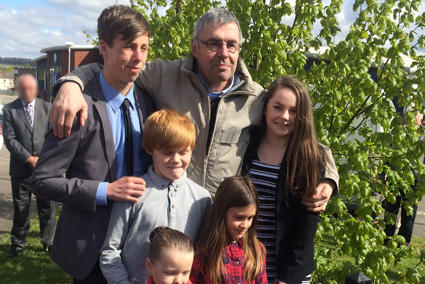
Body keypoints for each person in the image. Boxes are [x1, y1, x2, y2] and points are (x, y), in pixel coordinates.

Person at [49, 8, 339, 211]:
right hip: (165, 215)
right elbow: (113, 67)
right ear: (195, 47)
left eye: (232, 45)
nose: (224, 53)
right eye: (213, 43)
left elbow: (303, 136)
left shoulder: (257, 99)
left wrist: (328, 179)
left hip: (220, 221)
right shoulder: (163, 75)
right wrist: (71, 83)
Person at [29, 5, 155, 284]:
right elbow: (43, 180)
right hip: (91, 253)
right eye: (128, 48)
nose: (138, 58)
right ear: (103, 47)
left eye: (144, 48)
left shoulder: (150, 101)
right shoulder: (77, 105)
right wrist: (105, 190)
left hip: (141, 250)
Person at [242, 76, 328, 284]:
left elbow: (308, 224)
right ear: (266, 108)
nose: (285, 116)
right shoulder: (247, 144)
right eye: (278, 107)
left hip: (289, 268)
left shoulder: (309, 155)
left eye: (293, 110)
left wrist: (289, 276)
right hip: (251, 263)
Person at [100, 109, 211, 284]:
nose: (176, 159)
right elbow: (110, 251)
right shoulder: (133, 193)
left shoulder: (202, 199)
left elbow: (205, 255)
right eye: (168, 152)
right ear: (151, 149)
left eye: (183, 151)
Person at [3, 74, 56, 257]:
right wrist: (28, 158)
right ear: (18, 90)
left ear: (36, 89)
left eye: (30, 88)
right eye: (23, 89)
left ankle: (49, 242)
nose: (26, 92)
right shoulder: (10, 110)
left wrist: (42, 160)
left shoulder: (48, 108)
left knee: (47, 207)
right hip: (20, 168)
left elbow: (53, 137)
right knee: (20, 208)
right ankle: (18, 244)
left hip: (44, 168)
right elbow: (10, 139)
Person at [383, 111, 424, 245]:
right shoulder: (396, 134)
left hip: (415, 180)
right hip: (395, 179)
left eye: (414, 117)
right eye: (407, 118)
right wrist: (382, 175)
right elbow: (386, 155)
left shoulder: (422, 136)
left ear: (420, 119)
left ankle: (403, 242)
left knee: (409, 214)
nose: (410, 120)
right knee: (390, 209)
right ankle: (387, 239)